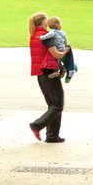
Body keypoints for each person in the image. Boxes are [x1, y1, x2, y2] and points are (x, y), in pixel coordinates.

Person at [28, 12, 69, 143]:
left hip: (41, 75)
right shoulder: (46, 37)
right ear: (44, 22)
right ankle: (37, 125)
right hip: (49, 73)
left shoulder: (34, 35)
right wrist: (67, 52)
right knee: (57, 105)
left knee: (53, 105)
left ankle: (52, 136)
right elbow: (56, 55)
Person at [40, 16, 78, 82]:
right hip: (63, 48)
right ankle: (70, 69)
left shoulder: (52, 32)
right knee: (61, 58)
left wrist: (42, 37)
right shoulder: (62, 32)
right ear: (57, 25)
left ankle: (58, 70)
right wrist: (66, 46)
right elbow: (65, 41)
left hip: (57, 49)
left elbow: (48, 36)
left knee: (54, 58)